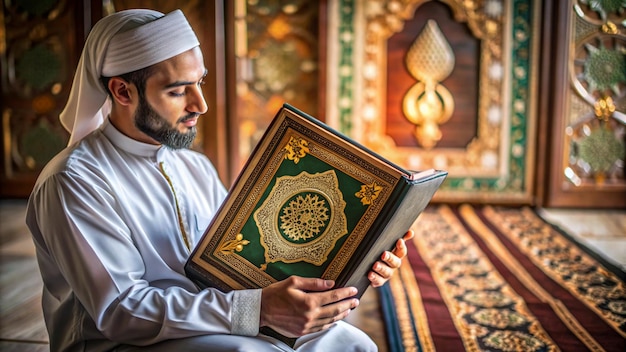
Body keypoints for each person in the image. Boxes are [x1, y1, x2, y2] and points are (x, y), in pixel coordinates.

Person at [25, 9, 414, 352]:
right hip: (119, 343)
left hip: (213, 321)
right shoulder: (74, 181)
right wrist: (258, 309)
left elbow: (238, 265)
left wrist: (358, 264)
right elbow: (121, 311)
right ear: (122, 91)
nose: (200, 105)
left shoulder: (193, 166)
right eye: (178, 91)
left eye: (200, 83)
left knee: (351, 342)